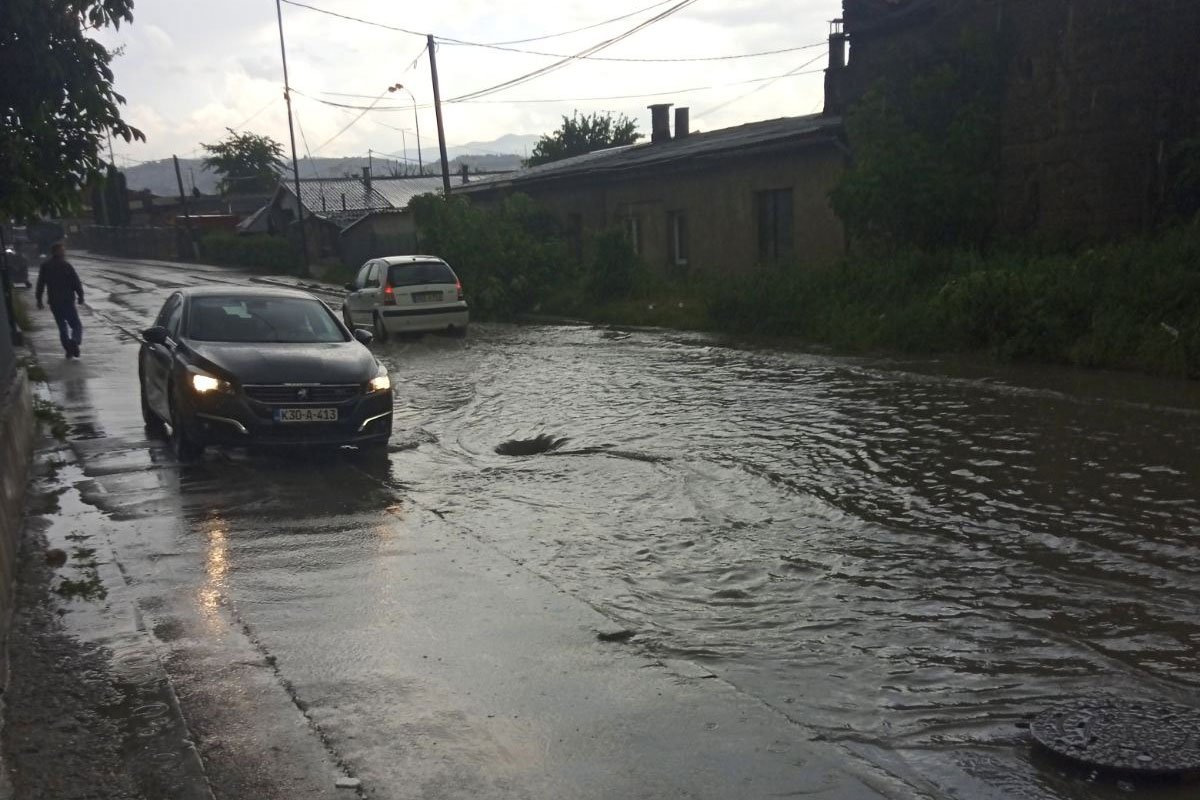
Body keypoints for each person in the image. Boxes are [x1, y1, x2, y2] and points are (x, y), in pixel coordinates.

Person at [35, 242, 85, 358]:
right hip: (67, 300)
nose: (64, 252)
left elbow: (40, 284)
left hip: (54, 301)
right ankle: (74, 341)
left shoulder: (45, 266)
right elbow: (75, 282)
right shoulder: (66, 265)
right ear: (58, 252)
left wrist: (39, 299)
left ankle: (68, 349)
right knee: (76, 325)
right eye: (62, 250)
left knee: (62, 326)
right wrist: (80, 296)